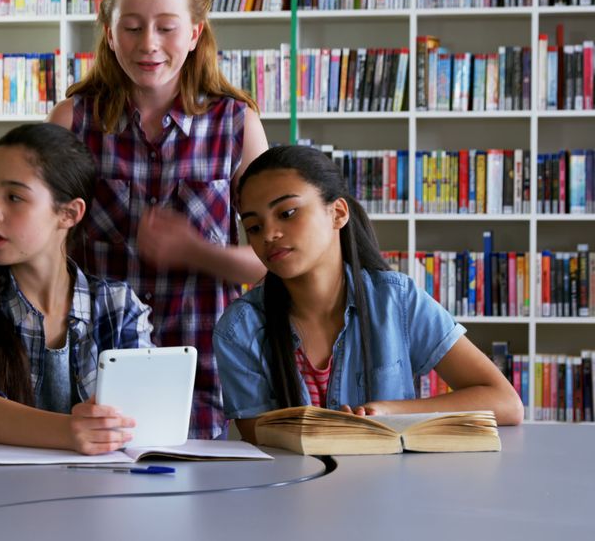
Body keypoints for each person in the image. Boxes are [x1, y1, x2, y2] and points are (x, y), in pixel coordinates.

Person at [48, 0, 269, 439]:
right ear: (109, 34)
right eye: (131, 27)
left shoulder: (238, 125)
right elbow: (41, 250)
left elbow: (276, 258)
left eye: (166, 27)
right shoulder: (70, 121)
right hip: (93, 373)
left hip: (206, 376)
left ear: (194, 33)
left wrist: (197, 252)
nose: (148, 43)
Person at [213, 145, 525, 443]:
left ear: (337, 213)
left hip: (387, 492)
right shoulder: (239, 329)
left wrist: (388, 413)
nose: (269, 234)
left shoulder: (397, 300)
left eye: (287, 212)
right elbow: (260, 435)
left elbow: (505, 402)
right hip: (292, 495)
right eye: (253, 227)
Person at [0, 124, 154, 454]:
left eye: (14, 197)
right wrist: (68, 431)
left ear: (69, 213)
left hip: (100, 497)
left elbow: (140, 418)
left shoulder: (118, 306)